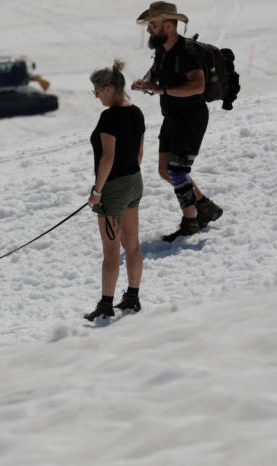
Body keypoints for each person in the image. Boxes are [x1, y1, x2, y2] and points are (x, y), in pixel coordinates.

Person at [131, 2, 223, 241]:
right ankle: (206, 206)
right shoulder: (163, 50)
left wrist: (162, 90)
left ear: (169, 25)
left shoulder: (187, 52)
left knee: (177, 170)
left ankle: (190, 222)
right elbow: (156, 70)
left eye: (153, 24)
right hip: (171, 117)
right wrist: (145, 82)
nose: (149, 29)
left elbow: (198, 86)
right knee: (165, 170)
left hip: (191, 118)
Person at [85, 60, 145, 321]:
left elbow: (107, 157)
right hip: (134, 181)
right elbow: (139, 153)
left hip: (114, 188)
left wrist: (98, 190)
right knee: (132, 246)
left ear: (109, 89)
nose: (97, 96)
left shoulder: (109, 118)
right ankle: (132, 297)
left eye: (97, 91)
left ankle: (106, 305)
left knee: (111, 251)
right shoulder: (137, 112)